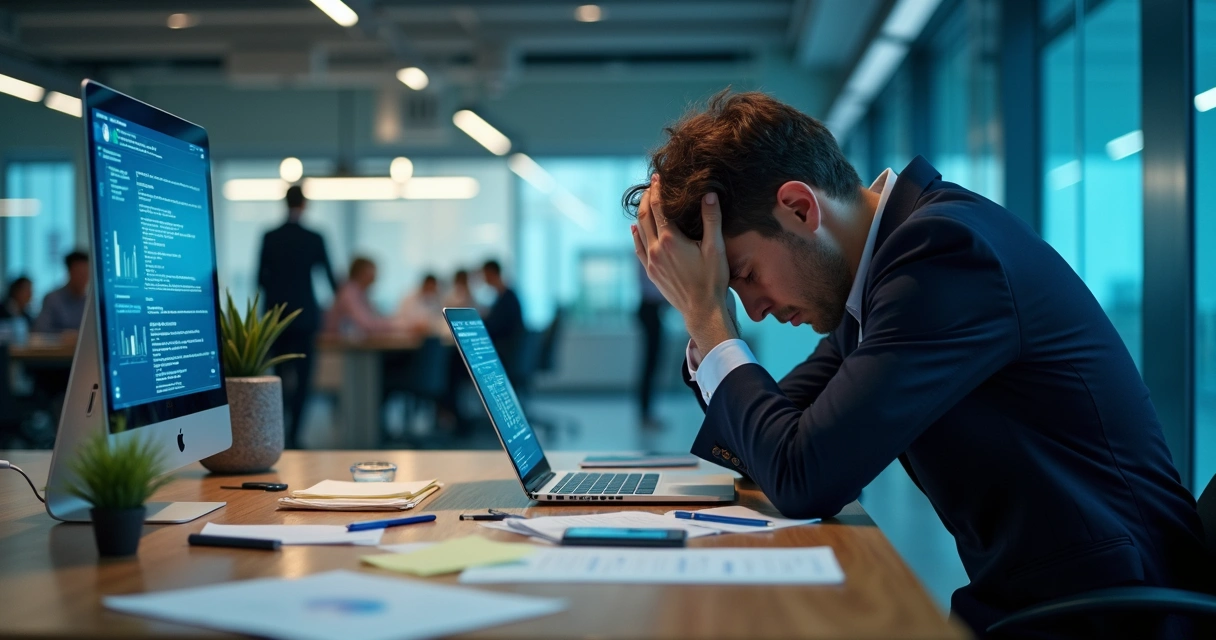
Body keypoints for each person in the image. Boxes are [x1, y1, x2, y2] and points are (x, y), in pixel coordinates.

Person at [627, 91, 1205, 638]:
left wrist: (708, 320)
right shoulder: (881, 277)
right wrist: (708, 326)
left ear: (801, 209)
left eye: (746, 275)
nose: (752, 309)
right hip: (1050, 603)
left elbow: (804, 476)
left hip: (1116, 614)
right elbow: (773, 446)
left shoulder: (942, 257)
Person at [257, 185, 336, 449]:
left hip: (276, 318)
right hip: (305, 318)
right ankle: (296, 435)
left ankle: (279, 435)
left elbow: (260, 279)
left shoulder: (270, 237)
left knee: (278, 377)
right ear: (304, 204)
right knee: (304, 379)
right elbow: (330, 279)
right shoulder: (314, 237)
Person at [326, 257, 397, 336]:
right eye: (371, 272)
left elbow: (374, 316)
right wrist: (394, 324)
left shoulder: (361, 293)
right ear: (361, 273)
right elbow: (367, 324)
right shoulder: (349, 292)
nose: (375, 277)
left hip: (347, 339)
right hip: (336, 341)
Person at [635, 263, 668, 429]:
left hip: (652, 310)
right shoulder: (647, 256)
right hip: (650, 310)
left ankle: (647, 413)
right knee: (650, 365)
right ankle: (645, 414)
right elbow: (652, 290)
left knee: (652, 365)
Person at [33, 251, 89, 334]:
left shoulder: (90, 301)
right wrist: (63, 335)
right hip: (58, 342)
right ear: (69, 272)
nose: (83, 278)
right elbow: (41, 329)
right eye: (79, 273)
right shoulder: (53, 299)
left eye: (86, 273)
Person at [480, 259, 525, 362]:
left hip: (507, 351)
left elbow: (495, 326)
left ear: (490, 273)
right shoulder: (506, 296)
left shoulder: (507, 299)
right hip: (510, 348)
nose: (484, 278)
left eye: (484, 274)